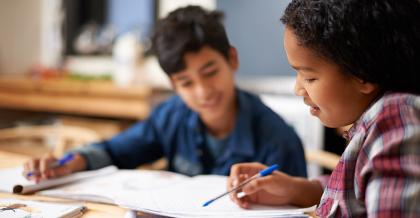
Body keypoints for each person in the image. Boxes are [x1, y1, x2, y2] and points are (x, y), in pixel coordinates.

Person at [23, 6, 307, 182]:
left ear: (232, 59)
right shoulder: (171, 115)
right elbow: (114, 150)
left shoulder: (277, 140)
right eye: (185, 82)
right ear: (173, 85)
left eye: (210, 72)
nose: (203, 91)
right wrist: (72, 162)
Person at [227, 0, 420, 217]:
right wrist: (297, 189)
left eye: (309, 77)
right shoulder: (379, 122)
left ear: (363, 74)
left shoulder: (395, 120)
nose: (298, 88)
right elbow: (357, 191)